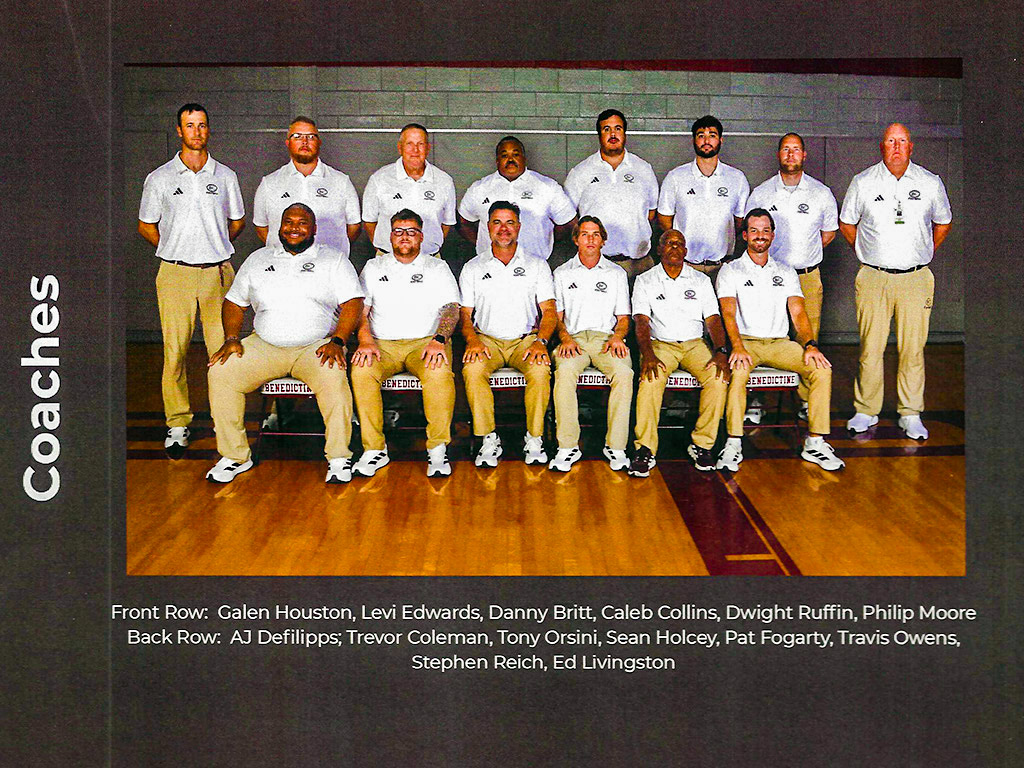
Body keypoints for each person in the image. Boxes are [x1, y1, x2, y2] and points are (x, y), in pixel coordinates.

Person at [205, 204, 363, 483]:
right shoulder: (258, 259)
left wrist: (338, 340)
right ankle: (234, 456)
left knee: (333, 374)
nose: (294, 228)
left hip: (316, 347)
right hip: (265, 346)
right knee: (221, 371)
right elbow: (234, 302)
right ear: (279, 227)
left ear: (314, 229)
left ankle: (339, 458)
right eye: (288, 222)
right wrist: (231, 338)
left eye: (302, 223)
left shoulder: (333, 259)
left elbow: (353, 303)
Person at [137, 103, 245, 459]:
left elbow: (237, 223)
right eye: (189, 125)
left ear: (208, 130)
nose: (196, 131)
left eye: (201, 125)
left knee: (223, 351)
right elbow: (146, 226)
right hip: (175, 273)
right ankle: (178, 423)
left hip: (217, 273)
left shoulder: (225, 176)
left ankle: (223, 421)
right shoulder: (160, 178)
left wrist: (212, 247)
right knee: (175, 352)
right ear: (179, 131)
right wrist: (175, 249)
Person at [840, 123, 953, 440]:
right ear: (882, 146)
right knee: (870, 348)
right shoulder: (863, 182)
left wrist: (923, 252)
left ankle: (910, 413)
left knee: (913, 349)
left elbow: (943, 223)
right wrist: (867, 252)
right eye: (891, 141)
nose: (897, 147)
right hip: (873, 277)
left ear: (911, 147)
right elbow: (847, 224)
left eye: (902, 141)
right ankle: (866, 410)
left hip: (916, 279)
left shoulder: (930, 182)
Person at [715, 209, 844, 472]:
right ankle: (733, 443)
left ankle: (815, 442)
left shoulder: (785, 271)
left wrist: (810, 345)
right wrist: (736, 346)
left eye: (765, 231)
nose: (760, 236)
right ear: (744, 235)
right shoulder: (731, 270)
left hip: (780, 343)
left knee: (821, 369)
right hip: (747, 343)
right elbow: (727, 313)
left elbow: (798, 313)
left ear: (772, 235)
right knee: (738, 372)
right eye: (754, 230)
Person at [350, 210, 461, 478]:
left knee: (438, 372)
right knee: (362, 371)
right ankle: (374, 449)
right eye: (398, 231)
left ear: (421, 236)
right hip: (381, 344)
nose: (404, 237)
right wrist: (364, 339)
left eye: (411, 231)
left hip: (425, 343)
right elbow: (361, 310)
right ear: (390, 236)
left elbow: (451, 308)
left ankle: (437, 449)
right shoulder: (374, 267)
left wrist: (439, 339)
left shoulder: (436, 267)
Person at [746, 132, 839, 419]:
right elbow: (751, 232)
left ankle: (806, 401)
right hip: (766, 277)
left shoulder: (821, 193)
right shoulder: (761, 193)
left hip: (806, 276)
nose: (790, 154)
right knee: (763, 337)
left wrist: (803, 256)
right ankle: (757, 401)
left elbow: (828, 234)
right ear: (779, 154)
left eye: (796, 149)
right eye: (786, 149)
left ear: (804, 155)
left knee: (808, 337)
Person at [459, 202, 556, 467]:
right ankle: (488, 439)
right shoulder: (473, 267)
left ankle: (534, 438)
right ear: (488, 227)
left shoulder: (537, 265)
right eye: (497, 222)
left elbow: (549, 311)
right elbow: (464, 314)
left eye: (510, 222)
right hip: (486, 340)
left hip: (525, 340)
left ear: (519, 227)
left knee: (540, 370)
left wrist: (541, 342)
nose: (504, 229)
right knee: (473, 370)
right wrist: (472, 340)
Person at [628, 230, 730, 477]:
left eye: (679, 244)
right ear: (659, 249)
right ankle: (645, 448)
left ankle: (702, 445)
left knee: (718, 378)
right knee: (651, 379)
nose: (674, 247)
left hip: (695, 345)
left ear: (686, 251)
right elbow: (641, 321)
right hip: (661, 345)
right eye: (668, 243)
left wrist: (720, 350)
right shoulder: (645, 280)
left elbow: (713, 319)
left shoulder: (700, 280)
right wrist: (647, 354)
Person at [549, 216, 633, 472]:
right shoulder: (562, 273)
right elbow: (556, 318)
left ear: (603, 241)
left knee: (624, 374)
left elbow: (623, 318)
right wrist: (564, 338)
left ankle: (616, 446)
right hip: (573, 339)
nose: (590, 239)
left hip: (606, 340)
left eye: (596, 234)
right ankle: (567, 446)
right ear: (576, 240)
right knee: (564, 372)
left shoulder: (616, 273)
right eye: (585, 234)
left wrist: (618, 337)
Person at [564, 109, 659, 282]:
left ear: (625, 133)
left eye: (618, 128)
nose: (613, 134)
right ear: (599, 134)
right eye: (606, 129)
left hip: (639, 265)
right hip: (597, 265)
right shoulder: (581, 172)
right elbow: (568, 218)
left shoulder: (643, 169)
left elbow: (651, 213)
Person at [657, 115, 750, 284]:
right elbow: (664, 221)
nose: (706, 141)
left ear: (721, 140)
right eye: (701, 135)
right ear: (694, 140)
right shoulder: (675, 177)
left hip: (723, 268)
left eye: (712, 135)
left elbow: (739, 222)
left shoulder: (737, 178)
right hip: (685, 266)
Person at [252, 116, 362, 257]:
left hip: (328, 265)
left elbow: (354, 227)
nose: (305, 141)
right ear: (287, 142)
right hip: (283, 265)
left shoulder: (341, 181)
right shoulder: (269, 183)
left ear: (319, 142)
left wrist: (331, 253)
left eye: (311, 136)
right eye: (297, 136)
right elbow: (262, 227)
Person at [458, 136, 577, 260]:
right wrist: (483, 246)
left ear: (524, 158)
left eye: (516, 154)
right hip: (488, 264)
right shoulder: (479, 188)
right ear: (497, 160)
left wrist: (547, 240)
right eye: (504, 155)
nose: (510, 159)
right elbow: (463, 223)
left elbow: (568, 222)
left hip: (536, 264)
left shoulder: (547, 186)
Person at [362, 123, 456, 256]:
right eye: (409, 144)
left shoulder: (445, 181)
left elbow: (446, 223)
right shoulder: (379, 179)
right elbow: (369, 221)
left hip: (430, 258)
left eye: (420, 144)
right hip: (387, 257)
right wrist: (388, 252)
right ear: (400, 148)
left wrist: (428, 248)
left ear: (428, 148)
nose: (415, 150)